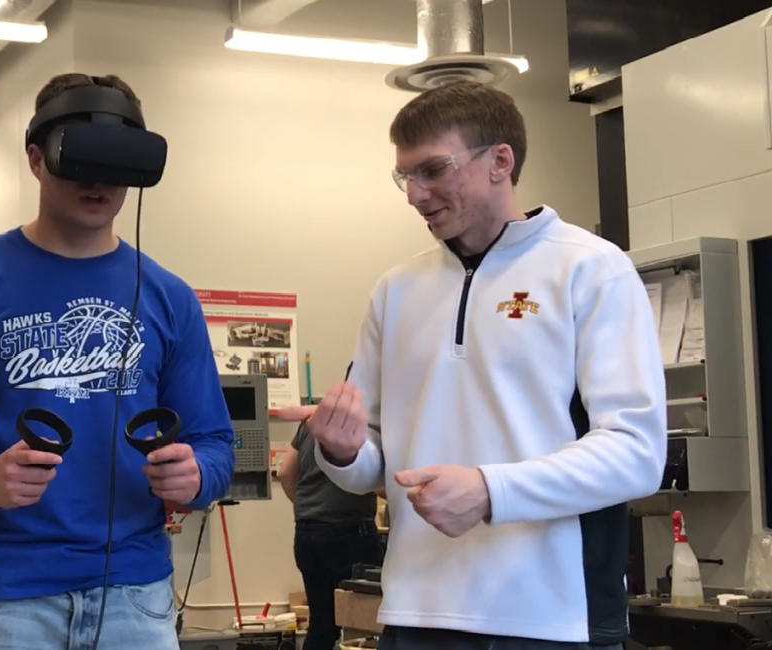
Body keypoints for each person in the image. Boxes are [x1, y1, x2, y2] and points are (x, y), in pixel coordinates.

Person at [278, 80, 667, 650]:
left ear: (499, 162)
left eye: (432, 169)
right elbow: (375, 467)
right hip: (417, 613)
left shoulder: (590, 270)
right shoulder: (396, 290)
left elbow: (636, 455)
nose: (414, 193)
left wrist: (491, 490)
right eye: (404, 176)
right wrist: (341, 450)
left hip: (551, 620)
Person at [0, 73, 236, 650]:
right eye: (80, 160)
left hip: (136, 595)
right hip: (6, 598)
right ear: (36, 160)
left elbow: (216, 441)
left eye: (115, 164)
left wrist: (197, 475)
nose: (98, 181)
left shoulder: (170, 297)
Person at [279, 377, 385, 650]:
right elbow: (385, 484)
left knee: (322, 625)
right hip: (349, 532)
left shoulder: (311, 421)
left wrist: (310, 509)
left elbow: (285, 473)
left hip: (306, 532)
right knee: (365, 624)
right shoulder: (366, 424)